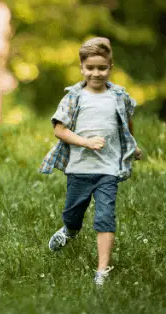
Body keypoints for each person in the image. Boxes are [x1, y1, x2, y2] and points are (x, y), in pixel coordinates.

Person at [39, 37, 142, 287]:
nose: (96, 73)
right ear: (82, 68)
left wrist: (132, 145)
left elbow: (125, 122)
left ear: (110, 67)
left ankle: (102, 270)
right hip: (80, 168)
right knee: (73, 214)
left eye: (102, 68)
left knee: (105, 216)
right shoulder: (74, 97)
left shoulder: (119, 96)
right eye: (91, 68)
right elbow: (59, 130)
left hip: (108, 170)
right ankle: (70, 231)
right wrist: (86, 142)